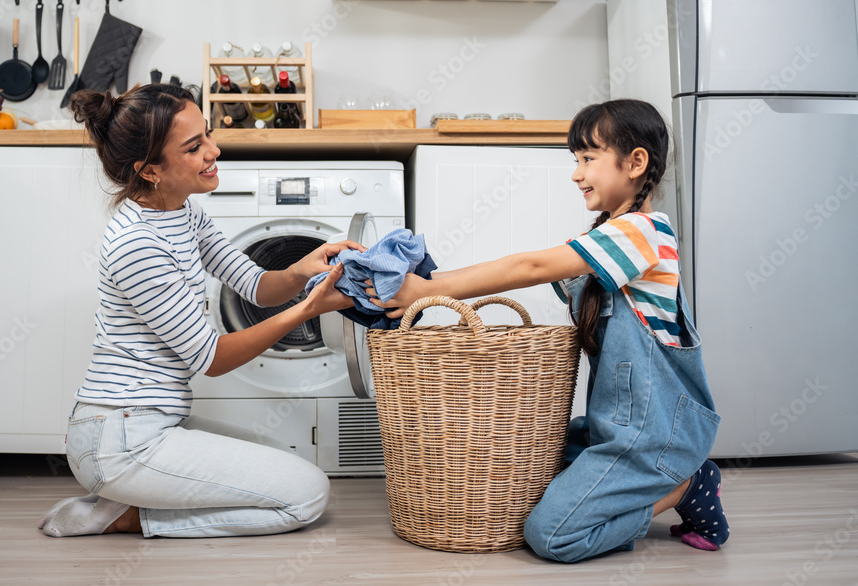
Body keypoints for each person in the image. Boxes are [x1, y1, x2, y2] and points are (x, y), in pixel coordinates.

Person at [367, 99, 728, 562]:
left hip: (653, 436)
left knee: (552, 535)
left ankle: (685, 488)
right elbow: (540, 267)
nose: (576, 174)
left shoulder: (645, 232)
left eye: (588, 158)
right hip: (611, 430)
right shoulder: (607, 240)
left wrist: (428, 287)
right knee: (513, 468)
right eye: (575, 160)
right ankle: (655, 483)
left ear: (636, 162)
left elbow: (530, 265)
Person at [38, 84, 361, 538]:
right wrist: (308, 307)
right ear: (150, 170)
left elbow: (252, 285)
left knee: (290, 466)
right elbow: (212, 359)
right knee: (307, 494)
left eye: (207, 135)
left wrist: (299, 272)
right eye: (195, 147)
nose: (215, 150)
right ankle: (130, 515)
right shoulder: (136, 243)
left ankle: (130, 500)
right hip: (120, 440)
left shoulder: (184, 212)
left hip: (153, 423)